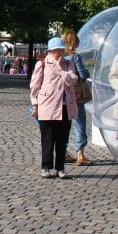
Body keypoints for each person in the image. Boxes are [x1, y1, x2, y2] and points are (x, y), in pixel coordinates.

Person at [30, 37, 79, 179]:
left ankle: (60, 168)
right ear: (50, 51)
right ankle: (46, 167)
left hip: (65, 107)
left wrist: (61, 69)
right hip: (48, 106)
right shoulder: (42, 64)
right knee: (48, 139)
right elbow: (35, 86)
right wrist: (35, 105)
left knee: (62, 139)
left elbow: (72, 81)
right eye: (57, 51)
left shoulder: (68, 63)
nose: (60, 53)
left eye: (62, 50)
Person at [61, 30, 92, 166]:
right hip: (76, 94)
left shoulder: (60, 56)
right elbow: (83, 74)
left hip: (63, 94)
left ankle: (63, 152)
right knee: (80, 123)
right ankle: (80, 155)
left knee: (65, 124)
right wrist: (87, 72)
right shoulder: (75, 57)